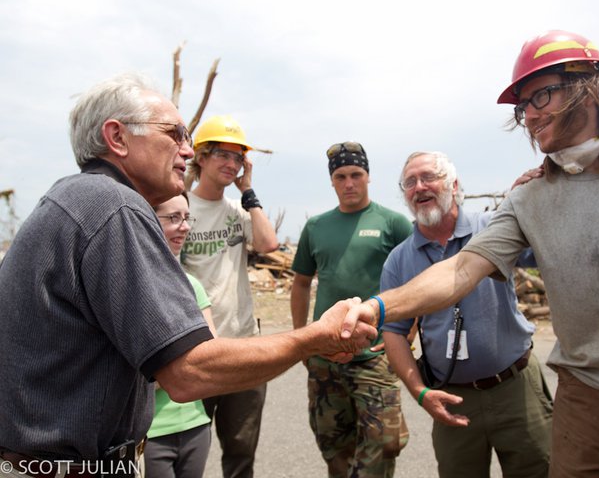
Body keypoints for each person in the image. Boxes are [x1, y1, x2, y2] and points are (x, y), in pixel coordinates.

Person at [342, 30, 599, 477]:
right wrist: (376, 307)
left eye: (541, 96)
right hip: (587, 404)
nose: (531, 116)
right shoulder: (527, 200)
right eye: (524, 107)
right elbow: (461, 270)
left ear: (590, 87)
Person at [0, 73, 376, 478]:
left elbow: (266, 243)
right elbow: (187, 371)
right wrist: (315, 337)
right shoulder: (114, 206)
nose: (186, 149)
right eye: (174, 133)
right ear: (117, 137)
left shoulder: (74, 199)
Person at [381, 151, 552, 477]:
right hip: (452, 397)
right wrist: (420, 392)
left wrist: (532, 203)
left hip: (516, 387)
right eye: (410, 182)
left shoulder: (492, 227)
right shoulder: (399, 260)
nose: (419, 187)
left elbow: (544, 252)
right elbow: (394, 332)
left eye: (428, 177)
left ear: (454, 185)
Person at [291, 141, 413, 477]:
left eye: (356, 174)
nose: (349, 183)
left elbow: (415, 283)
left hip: (375, 354)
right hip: (325, 355)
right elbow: (301, 283)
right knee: (333, 443)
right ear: (332, 181)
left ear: (368, 176)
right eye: (341, 176)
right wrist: (301, 339)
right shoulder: (316, 227)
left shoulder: (393, 223)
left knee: (386, 441)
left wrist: (408, 335)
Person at [183, 115, 278, 478]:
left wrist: (248, 190)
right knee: (186, 451)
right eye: (222, 154)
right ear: (201, 157)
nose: (231, 163)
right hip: (196, 349)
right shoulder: (181, 210)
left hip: (242, 345)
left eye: (238, 157)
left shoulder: (239, 211)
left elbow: (268, 244)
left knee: (241, 452)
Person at [144, 192, 216, 478]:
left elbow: (209, 356)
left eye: (187, 218)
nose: (184, 226)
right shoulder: (132, 284)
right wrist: (181, 367)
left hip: (195, 425)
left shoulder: (192, 286)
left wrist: (162, 370)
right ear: (148, 220)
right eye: (173, 218)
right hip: (151, 432)